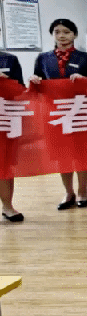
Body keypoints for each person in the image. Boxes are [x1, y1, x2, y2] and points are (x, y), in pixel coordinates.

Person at [31, 18, 87, 210]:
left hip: (80, 112)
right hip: (56, 113)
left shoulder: (85, 58)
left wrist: (84, 79)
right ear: (52, 35)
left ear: (74, 34)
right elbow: (38, 84)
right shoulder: (43, 58)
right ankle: (68, 192)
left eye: (66, 32)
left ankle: (83, 191)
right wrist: (34, 79)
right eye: (57, 32)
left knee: (82, 153)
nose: (62, 36)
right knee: (62, 154)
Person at [0, 48, 25, 222]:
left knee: (5, 164)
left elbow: (20, 89)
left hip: (5, 119)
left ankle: (7, 206)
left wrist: (6, 81)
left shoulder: (10, 59)